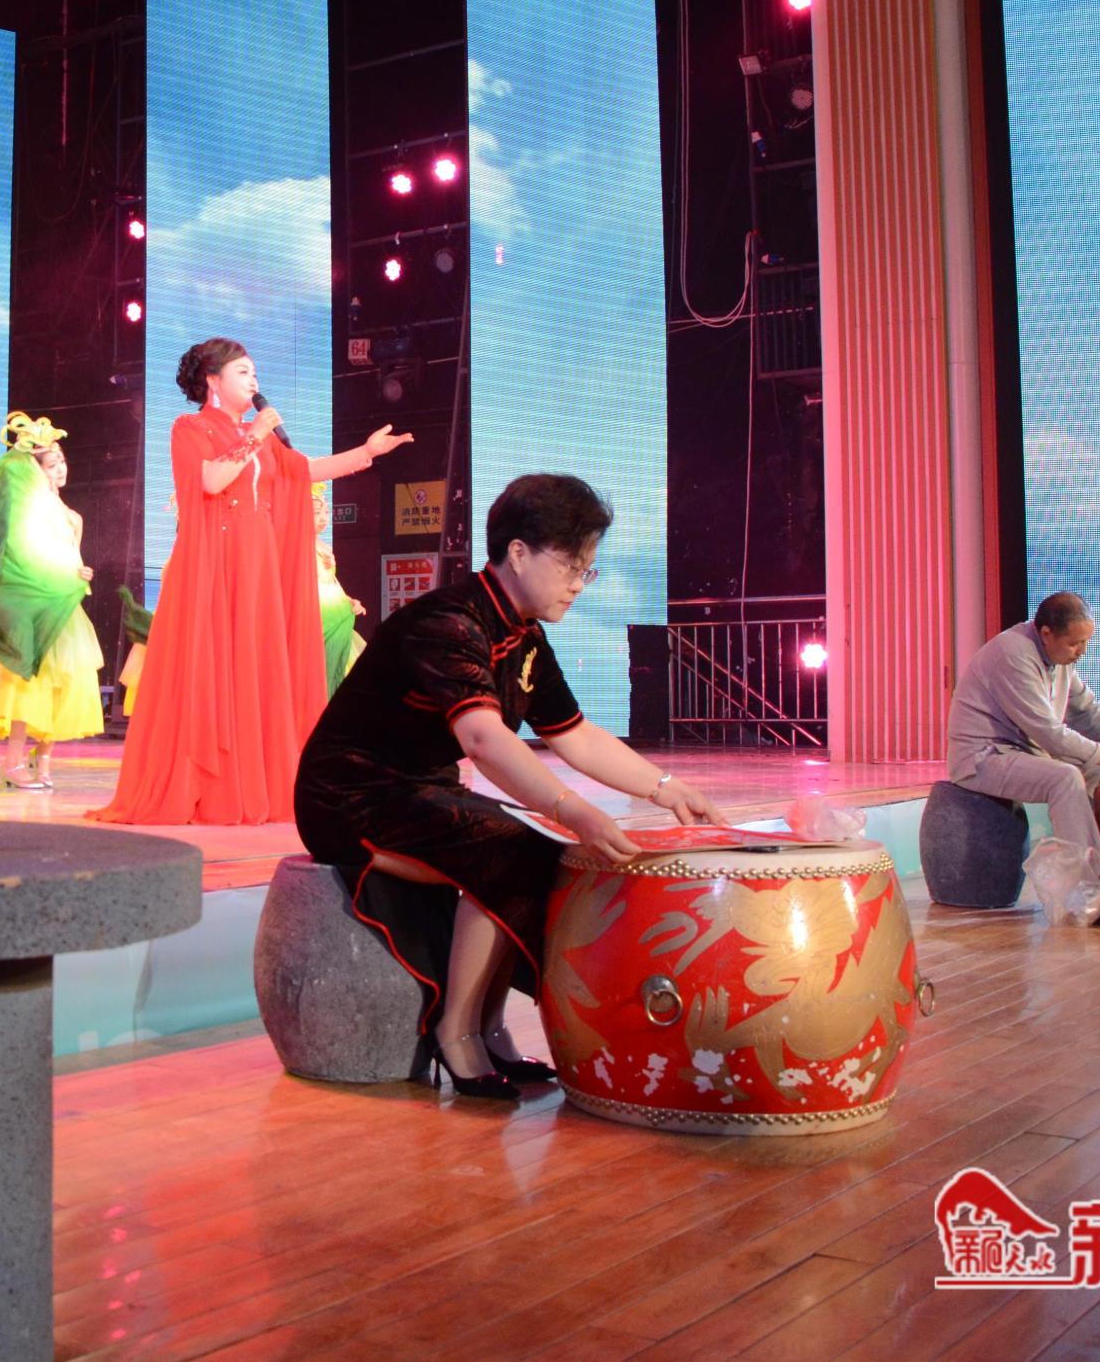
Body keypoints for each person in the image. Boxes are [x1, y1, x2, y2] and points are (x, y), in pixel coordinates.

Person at [296, 474, 719, 1101]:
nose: (579, 583)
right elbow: (483, 740)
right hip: (351, 793)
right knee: (511, 846)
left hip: (417, 791)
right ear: (518, 552)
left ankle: (490, 1027)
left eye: (588, 569)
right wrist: (572, 810)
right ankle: (458, 1030)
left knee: (534, 848)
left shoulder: (525, 637)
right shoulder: (448, 623)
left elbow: (576, 736)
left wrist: (667, 787)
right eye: (571, 566)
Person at [94, 338, 409, 825]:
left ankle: (249, 782)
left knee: (254, 666)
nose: (254, 380)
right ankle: (210, 786)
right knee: (217, 664)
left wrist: (366, 452)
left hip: (258, 565)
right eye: (242, 372)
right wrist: (255, 436)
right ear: (213, 381)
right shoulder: (190, 428)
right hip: (216, 564)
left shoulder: (260, 438)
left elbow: (305, 471)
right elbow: (210, 481)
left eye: (255, 372)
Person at [946, 591, 1100, 926]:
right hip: (982, 758)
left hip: (1022, 753)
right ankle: (1089, 895)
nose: (1082, 651)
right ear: (1046, 634)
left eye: (1086, 642)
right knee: (1064, 778)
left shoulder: (1058, 658)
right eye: (1075, 643)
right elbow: (1050, 734)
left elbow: (1088, 712)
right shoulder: (1013, 654)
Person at [0, 411, 104, 790]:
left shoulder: (73, 517)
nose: (60, 469)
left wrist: (81, 572)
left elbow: (73, 558)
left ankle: (45, 758)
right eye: (52, 464)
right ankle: (13, 762)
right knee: (28, 683)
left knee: (64, 684)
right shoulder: (25, 510)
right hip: (33, 606)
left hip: (64, 607)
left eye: (62, 461)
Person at [312, 482, 366, 698]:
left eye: (326, 512)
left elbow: (330, 582)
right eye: (316, 513)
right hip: (318, 617)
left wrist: (349, 600)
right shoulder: (294, 546)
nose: (323, 518)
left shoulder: (324, 546)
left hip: (336, 613)